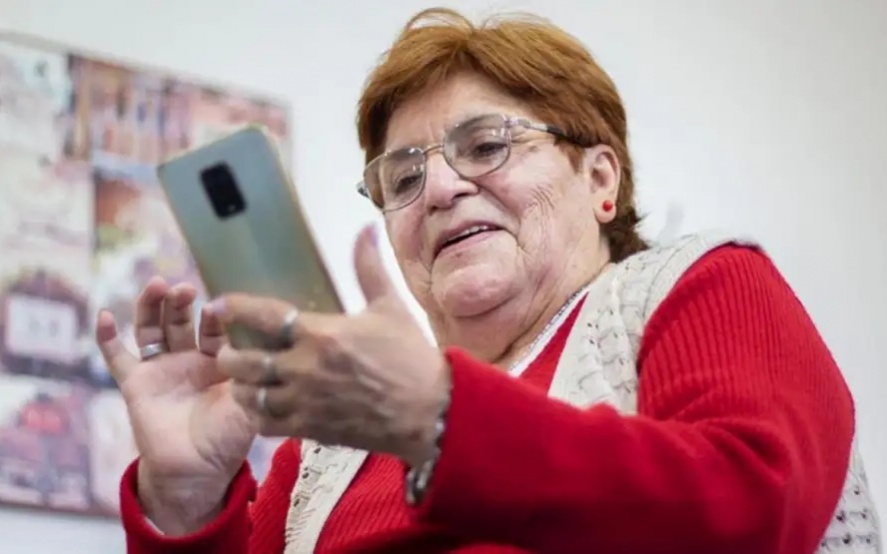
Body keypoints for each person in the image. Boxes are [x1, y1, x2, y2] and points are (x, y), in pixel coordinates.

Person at [96, 8, 881, 554]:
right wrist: (186, 497)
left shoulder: (696, 287)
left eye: (486, 145)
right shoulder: (329, 447)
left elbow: (754, 513)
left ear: (599, 179)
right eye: (403, 177)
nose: (439, 189)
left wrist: (439, 420)